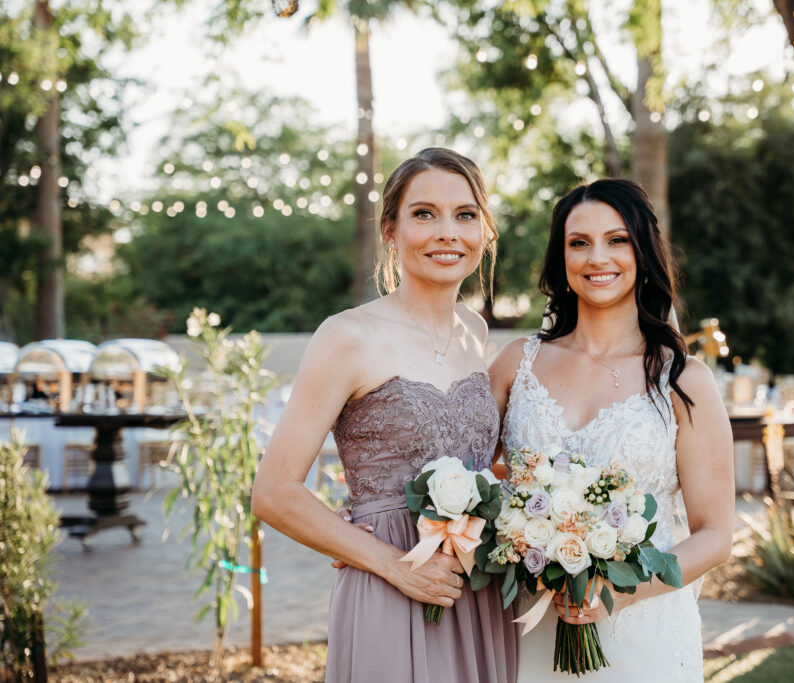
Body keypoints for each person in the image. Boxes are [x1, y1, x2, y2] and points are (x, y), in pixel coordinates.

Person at [251, 148, 518, 683]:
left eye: (465, 215)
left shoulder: (475, 333)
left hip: (480, 591)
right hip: (391, 588)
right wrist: (391, 562)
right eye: (425, 214)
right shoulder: (347, 336)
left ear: (484, 232)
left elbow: (483, 466)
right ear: (391, 231)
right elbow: (274, 492)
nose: (448, 233)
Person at [488, 178, 734, 681]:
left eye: (616, 240)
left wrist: (617, 592)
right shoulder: (517, 364)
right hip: (529, 628)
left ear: (642, 251)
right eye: (579, 243)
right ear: (562, 259)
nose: (597, 257)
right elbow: (471, 481)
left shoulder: (684, 382)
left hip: (643, 633)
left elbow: (715, 536)